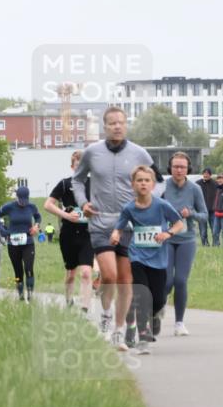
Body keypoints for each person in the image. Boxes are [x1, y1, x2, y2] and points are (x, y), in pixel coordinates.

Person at [72, 106, 155, 350]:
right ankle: (106, 316)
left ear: (126, 124)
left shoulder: (139, 153)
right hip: (101, 222)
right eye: (112, 123)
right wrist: (82, 203)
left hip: (130, 224)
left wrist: (146, 203)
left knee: (126, 281)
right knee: (109, 276)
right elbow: (77, 180)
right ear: (105, 127)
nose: (117, 126)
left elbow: (157, 182)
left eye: (121, 122)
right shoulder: (92, 152)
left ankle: (119, 330)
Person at [110, 166, 185, 353]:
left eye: (146, 180)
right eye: (139, 180)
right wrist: (116, 235)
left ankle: (156, 315)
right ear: (133, 184)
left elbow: (179, 223)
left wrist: (168, 234)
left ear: (152, 184)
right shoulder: (129, 208)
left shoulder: (161, 205)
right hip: (137, 256)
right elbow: (119, 226)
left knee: (158, 299)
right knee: (142, 295)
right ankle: (142, 339)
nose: (143, 183)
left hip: (158, 258)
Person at [162, 152, 208, 336]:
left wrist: (192, 214)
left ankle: (179, 323)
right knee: (166, 282)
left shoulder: (194, 189)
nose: (179, 170)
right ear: (170, 168)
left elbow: (205, 216)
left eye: (182, 167)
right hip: (165, 238)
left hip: (186, 239)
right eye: (175, 166)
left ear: (188, 169)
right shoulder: (162, 187)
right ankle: (159, 308)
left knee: (180, 281)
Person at [45, 150, 95, 313]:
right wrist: (66, 215)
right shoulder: (65, 184)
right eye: (77, 166)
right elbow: (48, 204)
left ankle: (84, 308)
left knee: (86, 272)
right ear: (72, 167)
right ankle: (68, 300)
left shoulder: (94, 184)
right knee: (71, 274)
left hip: (88, 233)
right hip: (68, 234)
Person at [0, 186, 42, 301]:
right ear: (17, 197)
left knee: (29, 268)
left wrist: (36, 226)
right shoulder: (9, 207)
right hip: (13, 243)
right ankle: (20, 295)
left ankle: (30, 296)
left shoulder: (31, 207)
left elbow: (38, 217)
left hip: (28, 242)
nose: (23, 203)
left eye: (25, 200)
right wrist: (2, 230)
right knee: (18, 271)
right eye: (21, 200)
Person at [196, 168, 218, 246]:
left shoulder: (215, 184)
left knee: (214, 229)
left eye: (207, 173)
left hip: (212, 211)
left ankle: (216, 244)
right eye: (204, 173)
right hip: (201, 211)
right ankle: (205, 245)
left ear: (210, 175)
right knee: (203, 230)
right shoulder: (197, 184)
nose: (205, 175)